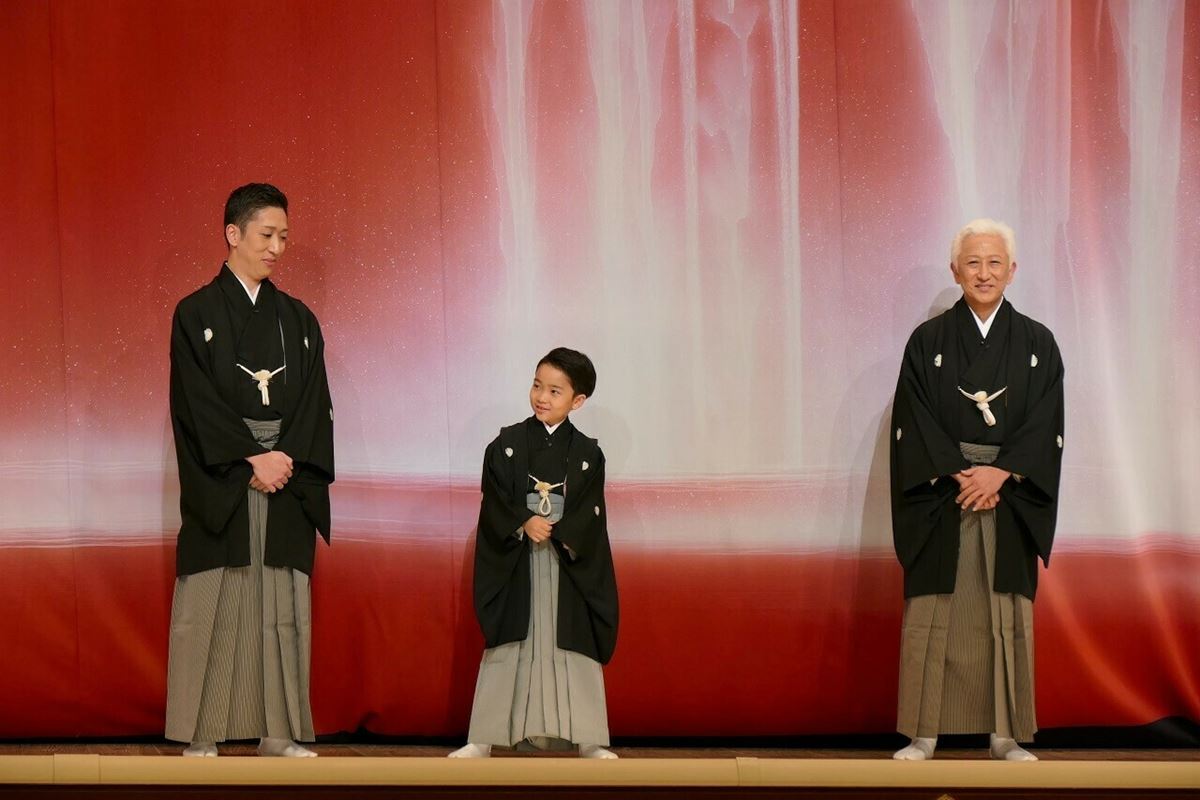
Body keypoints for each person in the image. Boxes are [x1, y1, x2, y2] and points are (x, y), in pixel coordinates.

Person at [165, 183, 334, 758]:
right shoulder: (195, 313)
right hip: (226, 475)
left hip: (286, 471)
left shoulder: (299, 319)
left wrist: (282, 460)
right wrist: (248, 457)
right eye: (267, 235)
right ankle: (203, 732)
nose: (277, 248)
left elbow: (314, 402)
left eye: (284, 237)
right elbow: (194, 402)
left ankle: (278, 733)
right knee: (215, 600)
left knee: (281, 605)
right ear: (233, 234)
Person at [889, 219, 1064, 762]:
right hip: (945, 489)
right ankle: (923, 733)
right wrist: (956, 470)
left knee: (1004, 610)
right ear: (955, 271)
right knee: (934, 607)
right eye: (973, 263)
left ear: (1012, 271)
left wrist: (1002, 472)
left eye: (994, 263)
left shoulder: (1037, 342)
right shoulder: (928, 342)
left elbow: (1047, 420)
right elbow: (913, 416)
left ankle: (1004, 735)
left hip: (1009, 491)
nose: (983, 273)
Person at [450, 348, 619, 759]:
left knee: (575, 647)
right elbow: (494, 500)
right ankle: (482, 739)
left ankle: (589, 740)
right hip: (517, 557)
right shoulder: (506, 444)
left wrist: (561, 530)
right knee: (509, 644)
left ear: (578, 401)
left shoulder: (588, 453)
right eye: (537, 385)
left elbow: (592, 512)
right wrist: (523, 522)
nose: (542, 397)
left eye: (555, 391)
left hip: (567, 561)